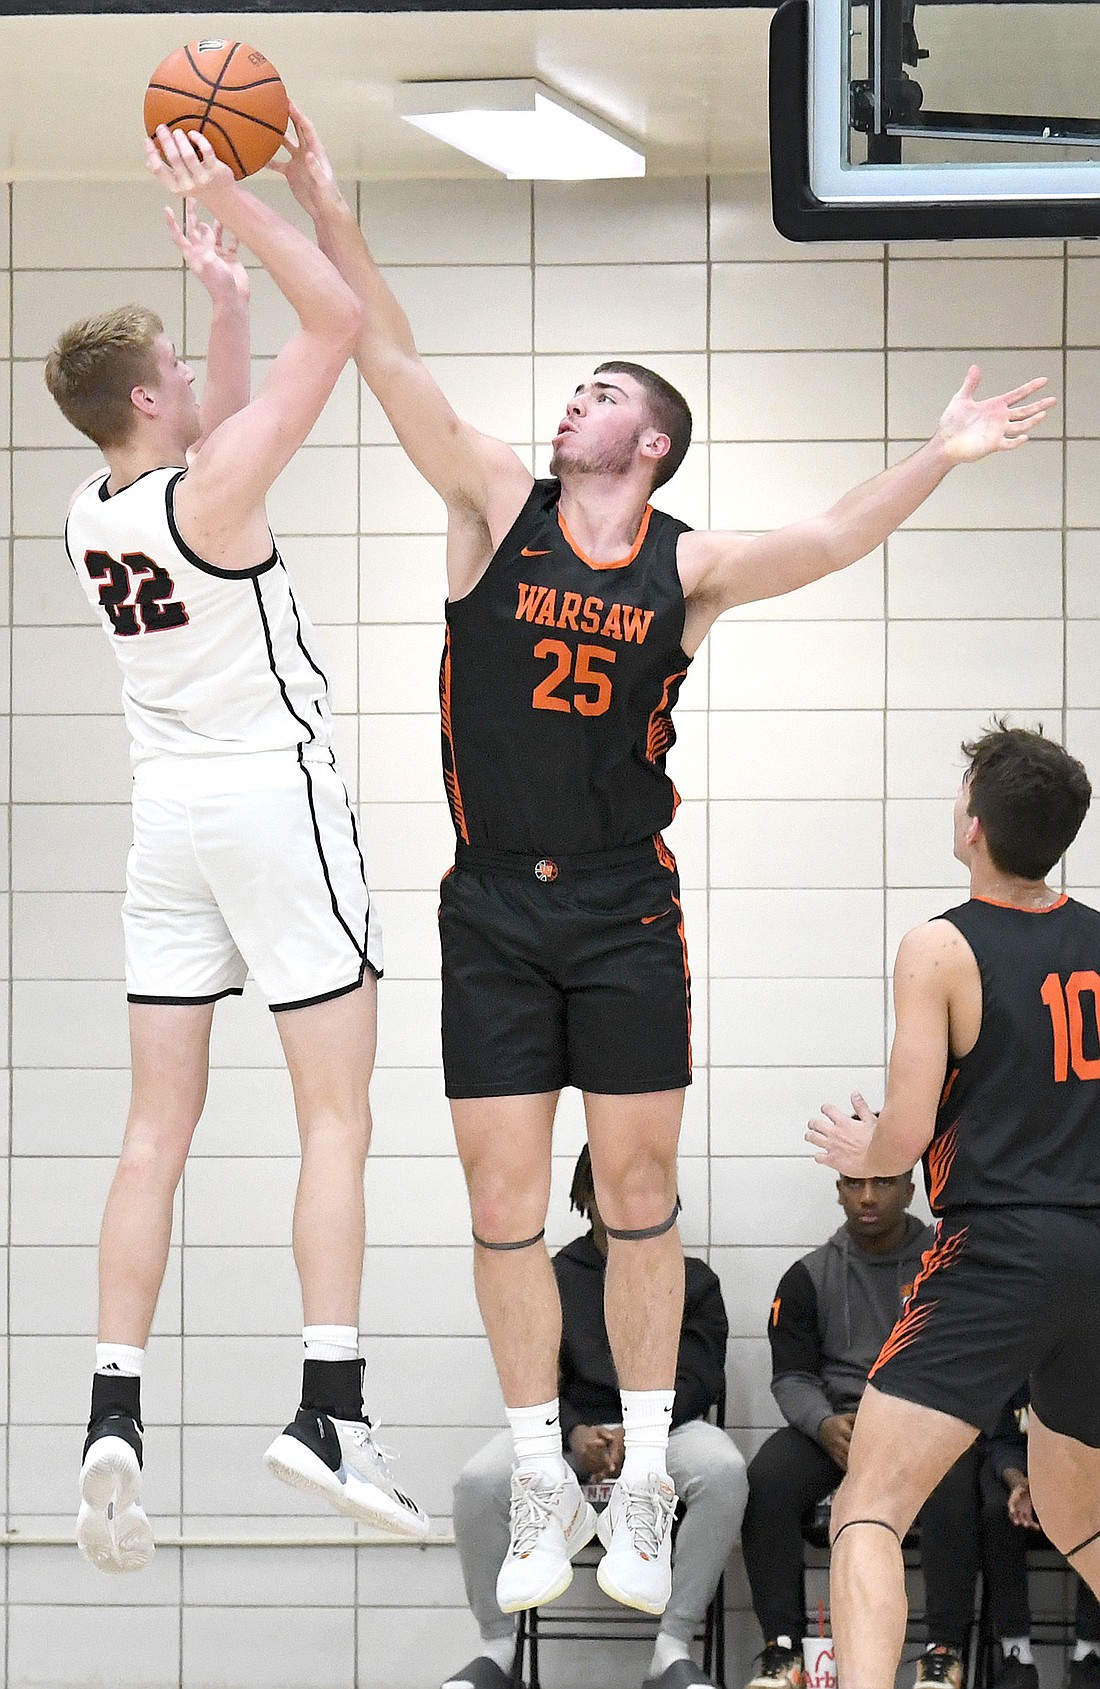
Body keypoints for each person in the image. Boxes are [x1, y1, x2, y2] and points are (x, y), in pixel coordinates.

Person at [274, 105, 1056, 1617]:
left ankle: (640, 1475)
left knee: (639, 1198)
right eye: (576, 388)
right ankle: (537, 1477)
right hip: (494, 900)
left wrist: (940, 455)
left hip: (629, 908)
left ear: (652, 442)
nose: (574, 401)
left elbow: (828, 538)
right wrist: (321, 199)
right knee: (507, 1205)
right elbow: (385, 354)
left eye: (604, 393)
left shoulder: (685, 565)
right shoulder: (495, 502)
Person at [44, 126, 428, 1574]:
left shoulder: (92, 507)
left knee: (158, 1128)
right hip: (274, 801)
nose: (203, 385)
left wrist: (219, 306)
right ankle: (331, 1402)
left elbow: (221, 414)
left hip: (168, 823)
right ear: (150, 397)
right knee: (337, 1116)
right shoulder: (215, 498)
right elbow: (342, 321)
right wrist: (243, 208)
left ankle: (112, 1404)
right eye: (184, 369)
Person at [806, 723, 1100, 1689]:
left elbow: (906, 1128)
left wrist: (866, 1147)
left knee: (868, 1510)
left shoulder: (940, 946)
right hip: (1096, 1253)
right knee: (1077, 1514)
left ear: (973, 823)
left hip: (1002, 1247)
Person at [444, 1145, 745, 1689]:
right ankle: (498, 1648)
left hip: (666, 1432)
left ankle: (672, 1648)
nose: (627, 1198)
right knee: (477, 1483)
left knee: (724, 1471)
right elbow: (530, 1373)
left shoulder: (692, 1279)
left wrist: (641, 1435)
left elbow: (702, 1375)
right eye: (608, 1186)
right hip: (564, 1438)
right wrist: (575, 1432)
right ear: (585, 1196)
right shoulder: (553, 1276)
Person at [741, 1171, 980, 1689]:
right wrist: (825, 1424)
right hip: (838, 1427)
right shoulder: (808, 1275)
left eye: (884, 1183)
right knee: (766, 1479)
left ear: (912, 1190)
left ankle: (944, 1652)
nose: (868, 1197)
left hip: (924, 1425)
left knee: (958, 1479)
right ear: (838, 1191)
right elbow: (792, 1376)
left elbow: (971, 1363)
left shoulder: (951, 1269)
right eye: (854, 1184)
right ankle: (782, 1649)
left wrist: (908, 1429)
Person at [980, 1385, 1100, 1689]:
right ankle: (1015, 1654)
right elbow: (1000, 1440)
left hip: (1083, 1472)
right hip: (1021, 1475)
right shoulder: (1013, 1357)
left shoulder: (1085, 1359)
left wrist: (1064, 1483)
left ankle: (1090, 1652)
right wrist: (1020, 1483)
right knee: (996, 1509)